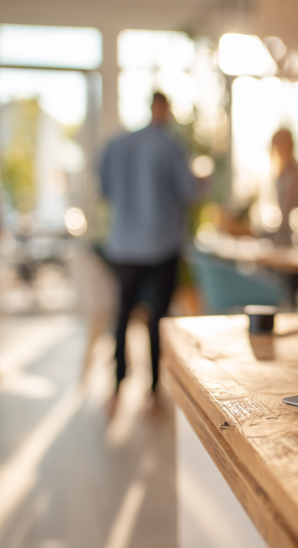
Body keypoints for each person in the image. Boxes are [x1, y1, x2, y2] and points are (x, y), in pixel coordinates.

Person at [100, 92, 200, 407]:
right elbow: (188, 190)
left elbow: (104, 189)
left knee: (124, 313)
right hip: (161, 244)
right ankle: (154, 387)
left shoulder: (116, 145)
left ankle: (118, 380)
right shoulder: (170, 146)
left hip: (125, 244)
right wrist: (204, 180)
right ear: (164, 109)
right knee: (158, 316)